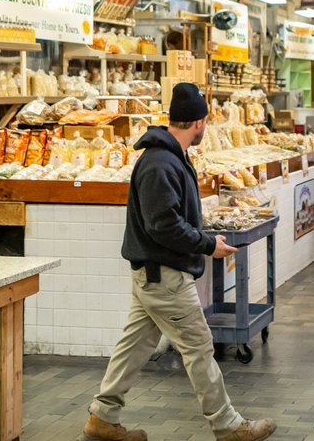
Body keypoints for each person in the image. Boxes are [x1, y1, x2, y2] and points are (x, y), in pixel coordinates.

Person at [84, 83, 276, 441]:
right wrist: (207, 244)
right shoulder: (160, 163)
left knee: (134, 346)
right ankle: (228, 425)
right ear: (199, 122)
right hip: (165, 276)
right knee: (200, 347)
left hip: (153, 276)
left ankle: (102, 417)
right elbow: (164, 225)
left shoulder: (169, 157)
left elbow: (169, 218)